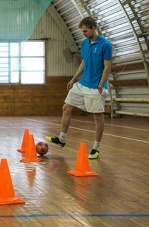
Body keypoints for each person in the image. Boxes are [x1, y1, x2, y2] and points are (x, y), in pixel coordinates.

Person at [47, 16, 112, 159]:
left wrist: (100, 85)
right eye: (82, 31)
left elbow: (107, 67)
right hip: (82, 83)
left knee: (97, 116)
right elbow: (84, 62)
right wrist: (74, 78)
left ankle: (96, 148)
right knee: (66, 108)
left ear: (93, 28)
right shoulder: (84, 43)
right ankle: (62, 138)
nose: (83, 34)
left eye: (85, 31)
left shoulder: (105, 44)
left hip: (96, 86)